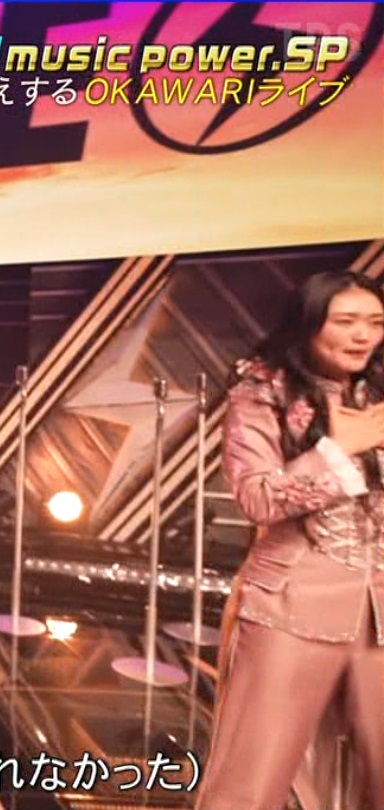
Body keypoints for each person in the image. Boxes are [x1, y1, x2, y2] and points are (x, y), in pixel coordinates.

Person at [195, 270, 384, 809]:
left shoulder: (377, 388)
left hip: (379, 609)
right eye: (345, 321)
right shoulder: (262, 392)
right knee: (252, 779)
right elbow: (256, 497)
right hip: (291, 607)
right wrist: (337, 451)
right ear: (309, 323)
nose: (363, 336)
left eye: (375, 322)